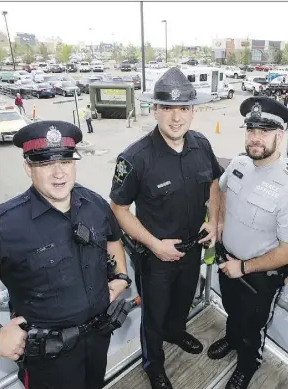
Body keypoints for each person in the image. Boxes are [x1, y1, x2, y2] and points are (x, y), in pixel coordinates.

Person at [109, 67, 223, 389]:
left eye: (184, 109)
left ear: (193, 111)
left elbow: (214, 182)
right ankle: (153, 364)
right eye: (168, 109)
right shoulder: (136, 158)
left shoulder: (201, 145)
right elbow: (118, 209)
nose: (176, 118)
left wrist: (213, 220)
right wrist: (156, 244)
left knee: (183, 299)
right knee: (154, 316)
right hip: (156, 257)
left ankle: (177, 331)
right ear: (154, 109)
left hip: (192, 249)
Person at [0, 121, 132, 389]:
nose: (59, 173)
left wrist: (121, 276)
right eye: (46, 163)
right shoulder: (7, 225)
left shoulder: (94, 204)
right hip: (50, 356)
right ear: (28, 168)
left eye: (66, 161)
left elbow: (113, 239)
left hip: (99, 335)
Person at [207, 97, 288, 389]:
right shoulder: (238, 163)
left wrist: (245, 267)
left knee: (253, 326)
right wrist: (220, 221)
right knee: (231, 309)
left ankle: (248, 363)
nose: (255, 138)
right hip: (228, 262)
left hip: (259, 276)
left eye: (265, 131)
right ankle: (231, 339)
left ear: (281, 134)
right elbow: (222, 191)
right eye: (251, 130)